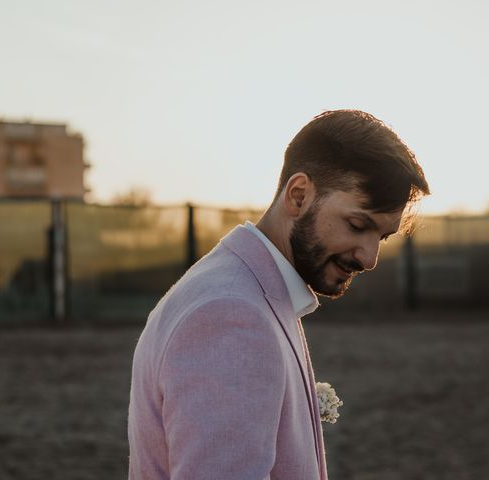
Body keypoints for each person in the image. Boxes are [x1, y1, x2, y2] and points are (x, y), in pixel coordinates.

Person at [127, 110, 430, 479]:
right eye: (357, 225)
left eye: (381, 237)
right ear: (299, 195)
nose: (369, 258)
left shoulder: (246, 291)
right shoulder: (231, 314)